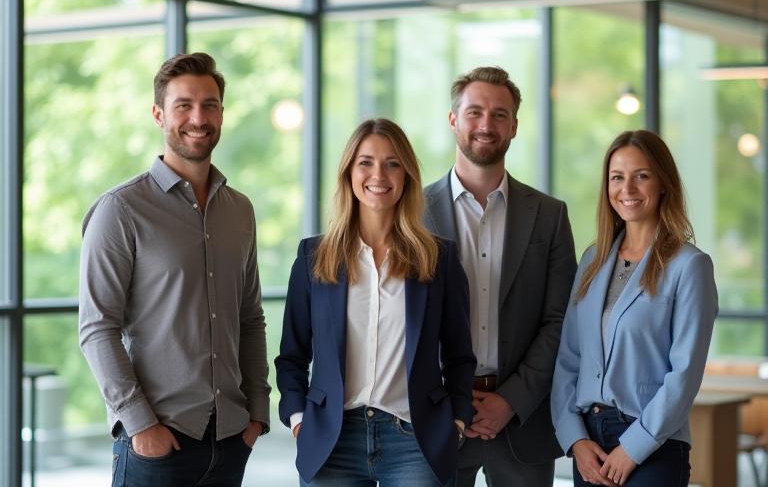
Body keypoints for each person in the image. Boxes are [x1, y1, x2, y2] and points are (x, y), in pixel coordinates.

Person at [78, 52, 270, 487]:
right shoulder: (121, 210)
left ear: (222, 112)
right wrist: (140, 425)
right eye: (183, 105)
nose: (198, 118)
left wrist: (257, 412)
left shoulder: (239, 210)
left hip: (230, 440)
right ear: (158, 114)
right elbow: (97, 328)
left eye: (210, 105)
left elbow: (249, 318)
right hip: (159, 445)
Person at [275, 118, 476, 487]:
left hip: (415, 439)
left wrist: (457, 421)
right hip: (332, 439)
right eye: (365, 162)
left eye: (392, 163)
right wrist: (298, 418)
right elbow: (292, 355)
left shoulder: (438, 258)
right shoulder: (313, 256)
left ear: (407, 176)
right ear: (349, 172)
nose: (378, 174)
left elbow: (460, 355)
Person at [423, 66, 577, 486]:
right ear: (454, 119)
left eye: (499, 115)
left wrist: (510, 400)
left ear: (514, 127)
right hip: (435, 416)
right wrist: (454, 398)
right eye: (474, 112)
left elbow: (561, 320)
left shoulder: (549, 215)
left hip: (522, 419)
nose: (486, 125)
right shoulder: (412, 214)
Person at [551, 129, 718, 487]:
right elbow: (569, 359)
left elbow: (684, 374)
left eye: (641, 176)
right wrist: (575, 439)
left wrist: (634, 447)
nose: (627, 189)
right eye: (617, 177)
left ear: (663, 184)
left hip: (653, 446)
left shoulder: (689, 266)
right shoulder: (592, 260)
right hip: (590, 445)